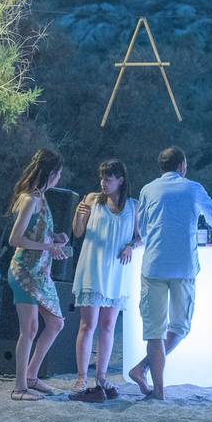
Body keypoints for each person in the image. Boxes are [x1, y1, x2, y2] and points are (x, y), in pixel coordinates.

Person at [127, 146, 212, 400]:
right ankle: (142, 369)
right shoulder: (192, 188)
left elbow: (141, 228)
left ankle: (157, 388)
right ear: (182, 166)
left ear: (161, 167)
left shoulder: (148, 189)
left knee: (154, 330)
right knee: (180, 326)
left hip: (153, 265)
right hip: (183, 267)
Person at [70, 159, 139, 401]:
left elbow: (140, 237)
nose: (103, 183)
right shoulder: (91, 199)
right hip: (93, 267)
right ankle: (81, 377)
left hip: (117, 271)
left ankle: (101, 376)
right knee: (87, 325)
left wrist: (131, 245)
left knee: (108, 326)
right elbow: (77, 232)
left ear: (120, 179)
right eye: (101, 178)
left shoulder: (133, 206)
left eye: (108, 178)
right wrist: (79, 217)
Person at [6, 149, 69, 401]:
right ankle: (20, 387)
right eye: (58, 174)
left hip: (40, 273)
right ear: (51, 174)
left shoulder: (41, 198)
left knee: (56, 323)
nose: (59, 178)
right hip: (24, 273)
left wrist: (55, 239)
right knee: (29, 329)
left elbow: (35, 233)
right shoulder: (30, 199)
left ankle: (31, 376)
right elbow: (15, 239)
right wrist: (48, 246)